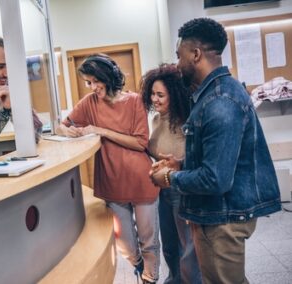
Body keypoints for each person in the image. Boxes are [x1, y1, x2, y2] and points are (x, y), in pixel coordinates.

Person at [150, 18, 281, 284]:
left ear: (195, 54)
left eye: (179, 56)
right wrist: (181, 165)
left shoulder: (220, 101)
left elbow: (215, 178)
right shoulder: (212, 95)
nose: (177, 64)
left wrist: (167, 178)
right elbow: (217, 157)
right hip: (217, 212)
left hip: (223, 216)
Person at [56, 54, 160, 284]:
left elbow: (140, 142)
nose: (91, 87)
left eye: (95, 81)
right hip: (111, 181)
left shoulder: (135, 101)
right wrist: (67, 131)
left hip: (141, 178)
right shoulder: (89, 103)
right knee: (124, 242)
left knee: (148, 240)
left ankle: (150, 278)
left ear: (108, 77)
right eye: (88, 82)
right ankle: (138, 265)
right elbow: (61, 125)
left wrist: (100, 130)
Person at [141, 64, 201, 284]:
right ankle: (174, 279)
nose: (154, 99)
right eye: (152, 94)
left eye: (160, 95)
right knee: (169, 244)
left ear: (174, 96)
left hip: (181, 188)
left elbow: (193, 158)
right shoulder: (156, 119)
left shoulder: (187, 120)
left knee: (188, 247)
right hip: (163, 190)